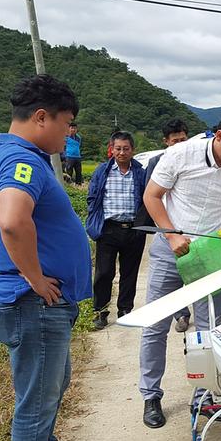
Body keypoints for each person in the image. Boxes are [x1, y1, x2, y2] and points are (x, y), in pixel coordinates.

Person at [0, 74, 89, 441]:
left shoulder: (24, 157)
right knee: (37, 394)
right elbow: (12, 220)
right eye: (66, 124)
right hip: (33, 302)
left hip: (41, 303)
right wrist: (34, 277)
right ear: (41, 116)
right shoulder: (20, 161)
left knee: (52, 383)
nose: (69, 133)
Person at [139, 110, 221, 429]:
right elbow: (152, 197)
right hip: (171, 252)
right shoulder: (181, 154)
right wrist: (171, 233)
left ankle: (204, 394)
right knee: (155, 324)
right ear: (219, 136)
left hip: (211, 257)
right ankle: (151, 395)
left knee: (209, 328)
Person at [86, 131, 147, 330]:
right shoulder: (102, 171)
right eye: (117, 148)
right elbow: (92, 197)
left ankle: (125, 310)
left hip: (133, 229)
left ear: (133, 150)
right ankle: (100, 311)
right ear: (111, 149)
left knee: (130, 273)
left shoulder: (140, 172)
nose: (121, 152)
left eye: (126, 148)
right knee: (104, 272)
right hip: (108, 229)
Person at [142, 118, 192, 332]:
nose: (180, 144)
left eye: (183, 139)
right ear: (166, 141)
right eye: (175, 141)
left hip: (189, 229)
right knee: (169, 280)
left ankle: (188, 314)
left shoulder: (193, 160)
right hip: (167, 228)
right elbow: (150, 195)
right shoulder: (158, 162)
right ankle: (181, 314)